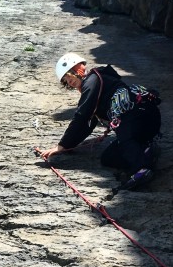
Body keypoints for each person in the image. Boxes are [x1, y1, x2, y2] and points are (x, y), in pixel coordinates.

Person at [40, 52, 161, 190]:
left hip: (139, 117)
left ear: (78, 69)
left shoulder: (92, 81)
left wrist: (61, 145)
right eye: (66, 81)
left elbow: (82, 115)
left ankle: (141, 169)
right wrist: (67, 145)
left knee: (124, 132)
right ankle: (146, 151)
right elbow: (88, 124)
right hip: (142, 123)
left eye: (69, 76)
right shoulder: (95, 82)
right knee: (108, 157)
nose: (70, 82)